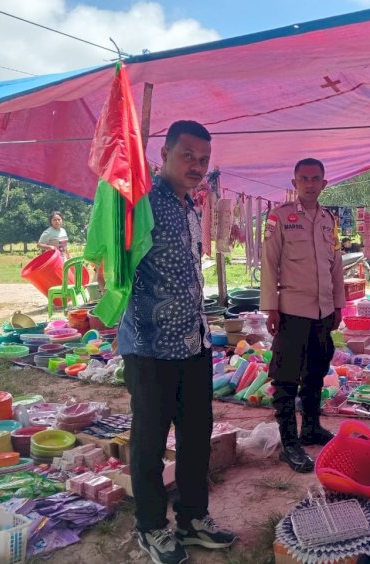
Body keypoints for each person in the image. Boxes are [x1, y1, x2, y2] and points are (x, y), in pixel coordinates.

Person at [117, 121, 236, 564]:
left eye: (203, 159)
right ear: (164, 153)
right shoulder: (141, 202)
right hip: (150, 346)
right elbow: (117, 254)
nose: (197, 166)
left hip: (193, 342)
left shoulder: (191, 207)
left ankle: (192, 518)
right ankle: (151, 526)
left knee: (195, 435)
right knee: (149, 442)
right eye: (188, 155)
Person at [260, 157, 345, 473]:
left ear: (324, 184)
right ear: (294, 183)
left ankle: (311, 427)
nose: (310, 184)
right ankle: (289, 442)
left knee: (316, 372)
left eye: (316, 179)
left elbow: (335, 265)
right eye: (304, 178)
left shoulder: (329, 221)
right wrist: (270, 306)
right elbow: (269, 263)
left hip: (323, 312)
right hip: (292, 311)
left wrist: (339, 305)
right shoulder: (280, 217)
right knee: (285, 378)